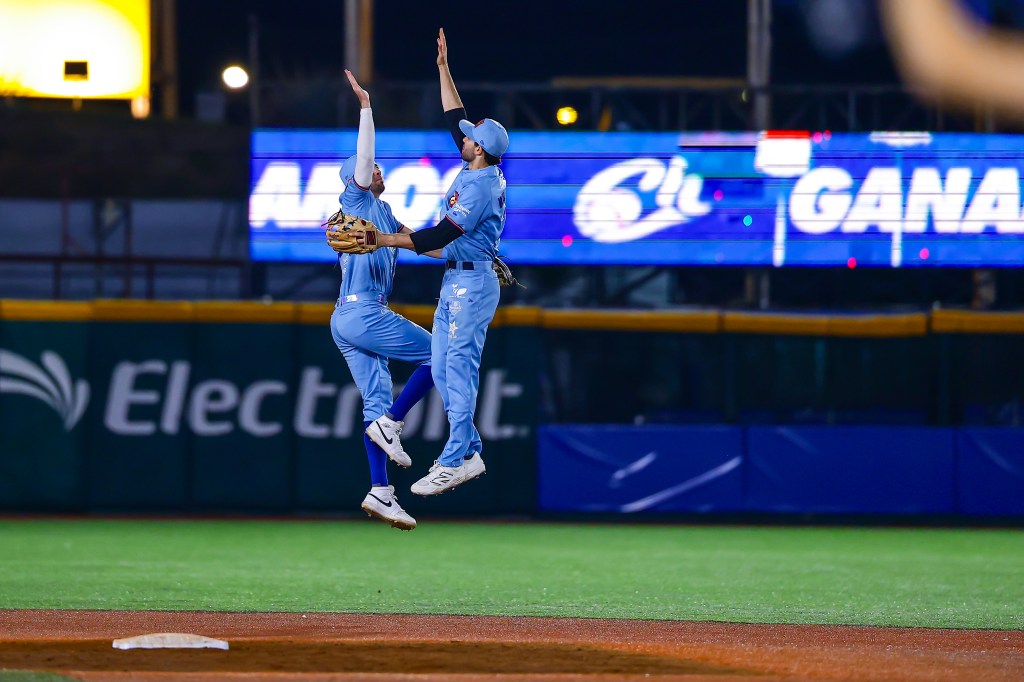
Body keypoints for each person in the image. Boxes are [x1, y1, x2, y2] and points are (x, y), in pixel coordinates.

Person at [349, 29, 509, 497]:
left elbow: (441, 235)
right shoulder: (477, 165)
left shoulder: (481, 187)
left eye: (469, 139)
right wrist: (443, 68)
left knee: (456, 369)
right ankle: (471, 450)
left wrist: (381, 238)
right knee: (440, 366)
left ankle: (456, 457)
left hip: (473, 285)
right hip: (458, 278)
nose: (462, 138)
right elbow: (455, 118)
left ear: (478, 149)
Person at [328, 69, 438, 530]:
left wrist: (472, 256)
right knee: (442, 352)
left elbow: (424, 243)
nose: (376, 168)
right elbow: (365, 157)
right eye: (367, 167)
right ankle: (395, 420)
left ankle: (380, 490)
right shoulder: (356, 201)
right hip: (364, 310)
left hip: (347, 317)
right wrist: (367, 108)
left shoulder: (383, 212)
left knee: (373, 406)